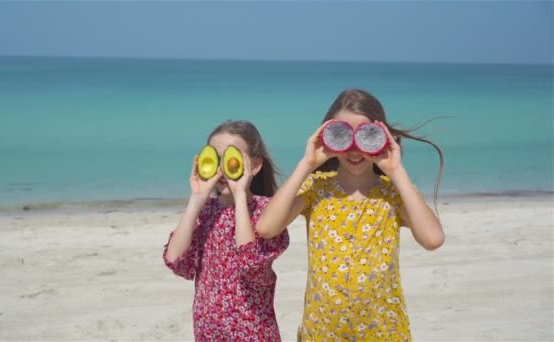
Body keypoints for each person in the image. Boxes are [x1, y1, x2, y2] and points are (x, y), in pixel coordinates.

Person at [256, 89, 445, 341]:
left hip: (382, 332)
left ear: (382, 137)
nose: (355, 150)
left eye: (367, 135)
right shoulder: (316, 188)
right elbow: (267, 228)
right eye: (341, 134)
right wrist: (306, 164)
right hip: (322, 332)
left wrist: (397, 171)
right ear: (327, 136)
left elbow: (432, 239)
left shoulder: (392, 194)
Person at [163, 120, 289, 341]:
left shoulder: (267, 211)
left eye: (232, 159)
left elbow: (252, 263)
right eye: (214, 158)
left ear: (256, 165)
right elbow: (176, 261)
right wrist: (197, 198)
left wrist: (240, 196)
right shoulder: (206, 212)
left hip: (253, 334)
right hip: (208, 333)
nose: (222, 169)